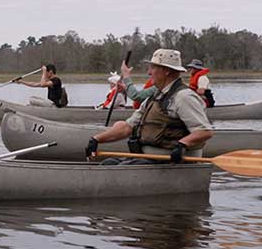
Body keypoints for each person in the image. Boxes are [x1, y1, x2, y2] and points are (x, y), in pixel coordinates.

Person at [85, 49, 213, 164]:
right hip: (148, 159)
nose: (148, 72)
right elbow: (127, 127)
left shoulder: (184, 97)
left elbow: (204, 131)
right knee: (109, 163)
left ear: (166, 71)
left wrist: (182, 145)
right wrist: (96, 139)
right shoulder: (155, 96)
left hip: (169, 163)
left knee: (118, 169)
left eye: (152, 67)